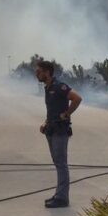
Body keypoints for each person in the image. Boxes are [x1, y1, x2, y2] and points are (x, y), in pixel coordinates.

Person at [35, 60, 82, 208]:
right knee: (58, 163)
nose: (37, 73)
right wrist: (45, 123)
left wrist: (67, 113)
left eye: (40, 71)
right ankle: (59, 193)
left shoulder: (59, 86)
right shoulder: (48, 88)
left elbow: (77, 98)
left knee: (61, 164)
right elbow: (52, 110)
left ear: (47, 72)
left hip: (60, 130)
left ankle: (62, 198)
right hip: (51, 129)